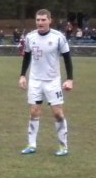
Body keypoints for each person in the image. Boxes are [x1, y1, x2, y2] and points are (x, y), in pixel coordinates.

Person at [19, 9, 74, 157]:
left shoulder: (58, 37)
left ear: (50, 20)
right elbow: (27, 57)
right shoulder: (30, 37)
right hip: (35, 80)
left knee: (58, 113)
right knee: (34, 112)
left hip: (52, 81)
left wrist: (69, 79)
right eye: (38, 20)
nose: (40, 22)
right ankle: (31, 145)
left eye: (43, 20)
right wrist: (22, 75)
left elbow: (67, 58)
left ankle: (63, 146)